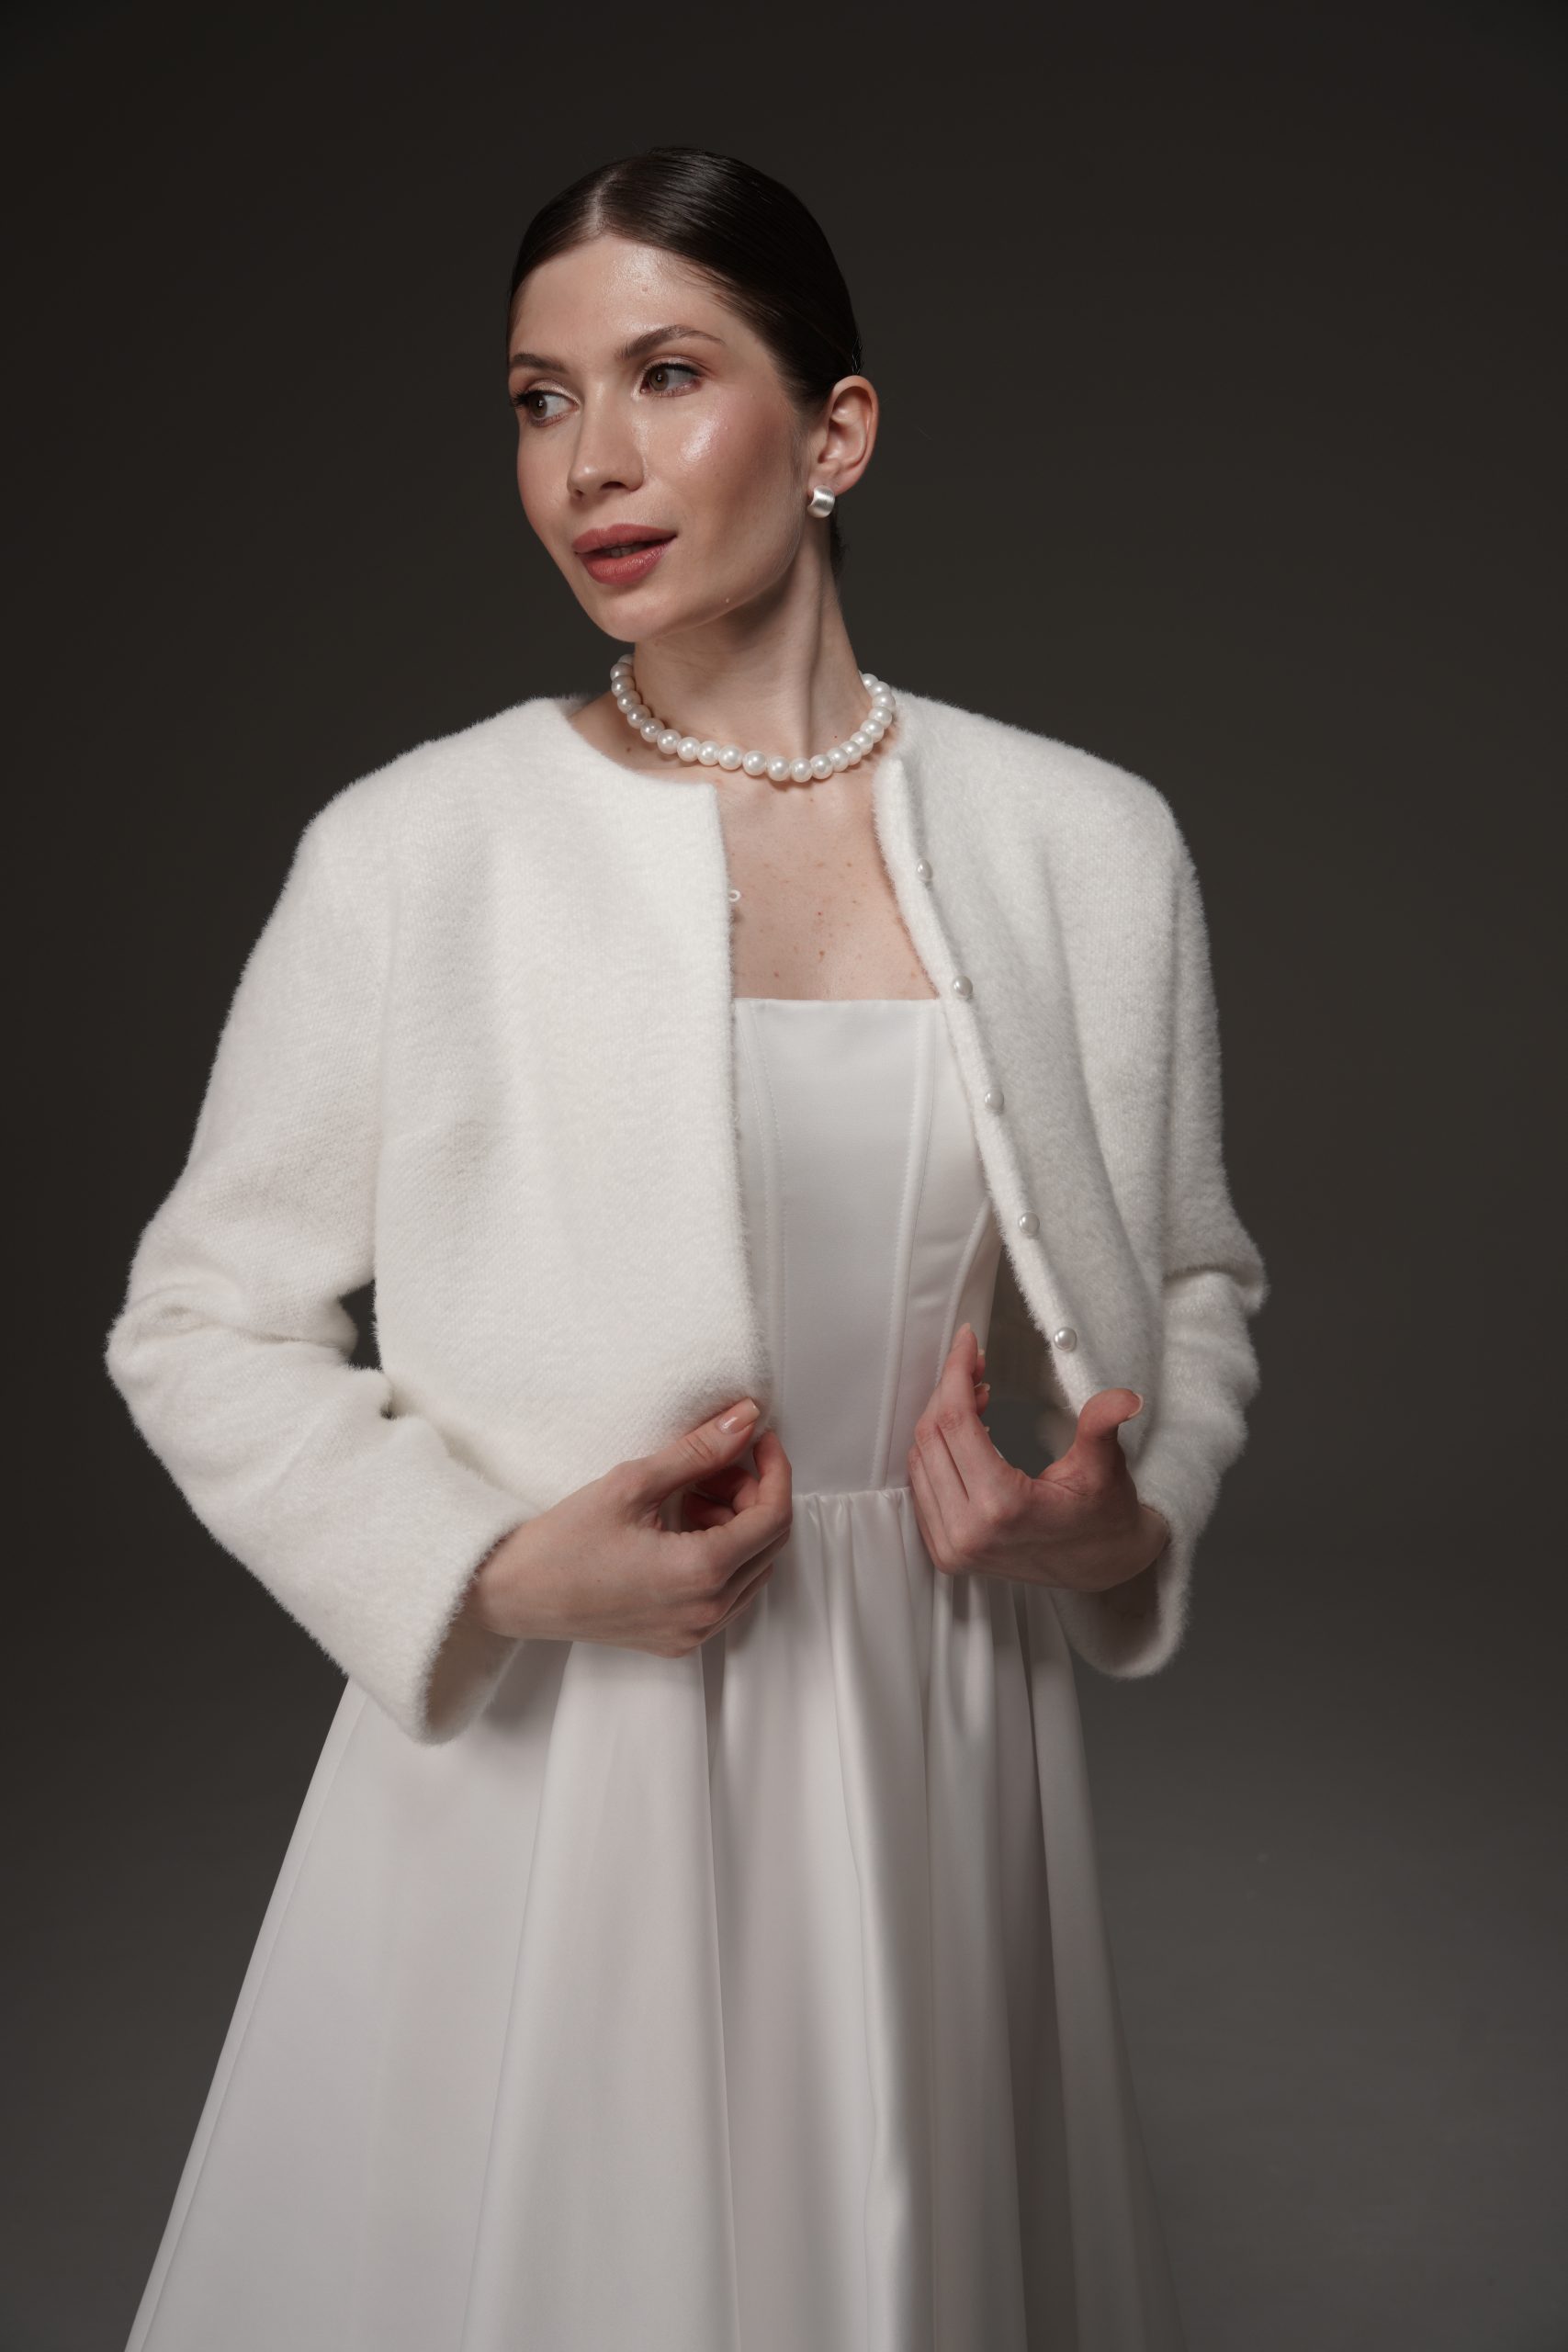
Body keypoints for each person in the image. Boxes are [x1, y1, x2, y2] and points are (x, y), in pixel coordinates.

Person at [106, 144, 1268, 2352]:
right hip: (566, 1738)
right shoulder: (418, 849)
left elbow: (1189, 1277)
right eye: (538, 400)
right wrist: (484, 1571)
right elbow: (200, 1314)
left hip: (932, 1714)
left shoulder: (1085, 844)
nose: (590, 465)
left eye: (663, 375)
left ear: (836, 429)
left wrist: (1121, 1521)